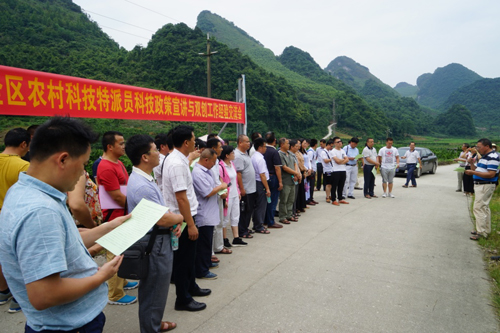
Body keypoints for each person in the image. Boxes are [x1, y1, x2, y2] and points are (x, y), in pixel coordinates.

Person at [0, 117, 130, 332]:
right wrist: (101, 276)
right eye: (82, 165)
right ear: (62, 160)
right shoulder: (40, 211)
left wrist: (108, 226)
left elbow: (55, 241)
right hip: (67, 326)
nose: (82, 173)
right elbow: (44, 294)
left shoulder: (27, 190)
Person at [125, 134, 183, 333]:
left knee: (155, 288)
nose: (159, 153)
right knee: (155, 288)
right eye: (155, 150)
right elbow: (162, 219)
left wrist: (171, 219)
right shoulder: (142, 185)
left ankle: (154, 322)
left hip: (157, 239)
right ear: (145, 157)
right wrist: (179, 218)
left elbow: (160, 213)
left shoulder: (144, 178)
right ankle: (151, 327)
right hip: (155, 244)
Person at [162, 125, 210, 312]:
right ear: (186, 142)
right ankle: (183, 298)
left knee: (190, 257)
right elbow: (181, 198)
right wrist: (190, 224)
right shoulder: (176, 163)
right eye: (193, 138)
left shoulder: (179, 159)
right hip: (182, 219)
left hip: (186, 215)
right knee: (183, 260)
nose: (195, 141)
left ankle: (191, 287)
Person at [96, 131, 138, 305]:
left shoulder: (118, 162)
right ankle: (114, 294)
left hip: (123, 213)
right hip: (114, 216)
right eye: (120, 143)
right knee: (114, 253)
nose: (124, 146)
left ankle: (122, 280)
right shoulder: (105, 166)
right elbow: (116, 196)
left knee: (122, 251)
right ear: (109, 146)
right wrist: (135, 207)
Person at [0, 127, 30, 313]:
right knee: (21, 257)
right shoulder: (23, 166)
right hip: (13, 216)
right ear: (24, 144)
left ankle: (3, 292)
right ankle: (19, 299)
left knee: (2, 255)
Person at [193, 149, 228, 280]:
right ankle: (201, 270)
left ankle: (206, 262)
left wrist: (221, 192)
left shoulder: (207, 171)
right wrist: (222, 186)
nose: (214, 164)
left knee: (208, 241)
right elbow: (207, 192)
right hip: (204, 212)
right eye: (213, 161)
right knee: (203, 242)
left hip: (210, 210)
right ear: (206, 159)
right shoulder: (197, 173)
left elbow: (214, 186)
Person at [465, 138, 499, 240]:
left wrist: (473, 173)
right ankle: (485, 229)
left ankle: (481, 232)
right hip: (481, 184)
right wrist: (471, 163)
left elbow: (491, 174)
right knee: (484, 207)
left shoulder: (493, 156)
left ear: (487, 146)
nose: (478, 149)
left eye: (479, 147)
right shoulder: (485, 157)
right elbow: (477, 170)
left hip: (485, 184)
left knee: (478, 207)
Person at [219, 146, 247, 245]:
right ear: (227, 155)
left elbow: (235, 181)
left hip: (235, 194)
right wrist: (224, 198)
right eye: (232, 153)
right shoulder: (221, 166)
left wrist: (238, 192)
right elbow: (221, 182)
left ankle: (236, 237)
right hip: (228, 195)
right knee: (225, 217)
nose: (234, 155)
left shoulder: (232, 164)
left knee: (235, 216)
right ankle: (224, 238)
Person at [234, 135, 258, 239]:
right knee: (244, 211)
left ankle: (245, 227)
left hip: (251, 187)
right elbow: (238, 174)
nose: (249, 143)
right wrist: (242, 188)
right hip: (246, 189)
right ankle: (242, 231)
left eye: (249, 142)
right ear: (240, 143)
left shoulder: (246, 153)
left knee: (249, 210)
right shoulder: (238, 155)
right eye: (247, 142)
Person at [263, 132, 284, 229]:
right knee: (273, 200)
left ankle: (265, 220)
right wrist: (280, 181)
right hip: (272, 177)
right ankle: (271, 221)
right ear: (274, 140)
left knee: (266, 200)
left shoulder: (262, 150)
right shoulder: (274, 151)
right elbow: (277, 168)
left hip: (264, 178)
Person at [251, 138, 271, 234]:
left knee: (257, 205)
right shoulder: (260, 159)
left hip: (256, 182)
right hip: (260, 183)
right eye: (264, 146)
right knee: (261, 205)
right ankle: (259, 225)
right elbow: (262, 175)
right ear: (260, 147)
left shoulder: (254, 156)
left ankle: (257, 224)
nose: (266, 148)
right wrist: (267, 188)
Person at [278, 138, 299, 224]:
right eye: (287, 143)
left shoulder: (290, 153)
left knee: (291, 198)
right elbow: (284, 167)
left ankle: (289, 215)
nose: (289, 145)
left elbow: (295, 163)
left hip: (292, 179)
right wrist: (296, 173)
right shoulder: (279, 154)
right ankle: (283, 216)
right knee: (284, 199)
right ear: (282, 145)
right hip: (285, 180)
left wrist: (296, 173)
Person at [331, 137, 349, 205]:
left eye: (340, 141)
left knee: (341, 185)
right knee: (334, 185)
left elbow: (347, 159)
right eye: (338, 142)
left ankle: (340, 198)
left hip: (343, 169)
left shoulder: (342, 151)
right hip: (335, 170)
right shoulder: (333, 151)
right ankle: (333, 199)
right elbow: (337, 161)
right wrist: (343, 160)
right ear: (335, 143)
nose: (340, 143)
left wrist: (341, 160)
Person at [306, 139, 319, 205]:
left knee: (312, 185)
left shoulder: (313, 151)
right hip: (312, 171)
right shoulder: (310, 152)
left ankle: (311, 198)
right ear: (316, 144)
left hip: (313, 170)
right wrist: (311, 169)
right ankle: (309, 199)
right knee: (310, 185)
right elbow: (309, 161)